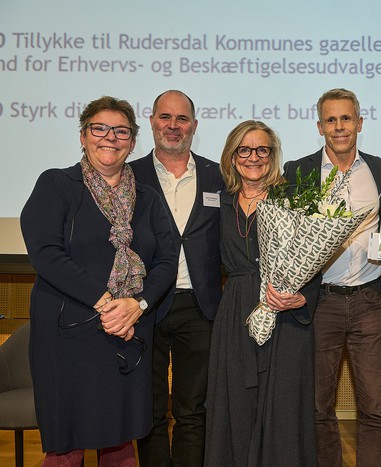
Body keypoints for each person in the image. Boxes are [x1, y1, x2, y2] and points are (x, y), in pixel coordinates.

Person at [20, 96, 179, 466]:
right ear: (83, 136)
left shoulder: (149, 198)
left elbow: (167, 260)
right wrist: (108, 304)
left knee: (120, 444)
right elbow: (45, 253)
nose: (110, 137)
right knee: (66, 447)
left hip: (128, 333)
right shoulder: (57, 184)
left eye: (121, 131)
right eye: (99, 128)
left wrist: (137, 305)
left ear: (132, 142)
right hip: (68, 336)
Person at [284, 88, 381, 467]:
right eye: (330, 120)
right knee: (318, 407)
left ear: (359, 123)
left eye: (346, 118)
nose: (339, 127)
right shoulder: (297, 172)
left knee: (376, 407)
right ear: (320, 127)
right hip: (320, 304)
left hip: (369, 301)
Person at [204, 120, 320, 466]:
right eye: (244, 149)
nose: (253, 157)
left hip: (285, 313)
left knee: (284, 409)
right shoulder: (218, 202)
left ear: (272, 155)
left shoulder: (294, 199)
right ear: (232, 156)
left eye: (262, 150)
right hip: (236, 312)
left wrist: (303, 298)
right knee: (235, 405)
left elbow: (316, 261)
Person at [131, 90, 224, 467]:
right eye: (166, 117)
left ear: (194, 126)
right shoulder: (129, 174)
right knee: (149, 409)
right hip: (145, 306)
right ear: (152, 121)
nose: (174, 125)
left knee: (193, 410)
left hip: (201, 306)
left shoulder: (218, 174)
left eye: (182, 118)